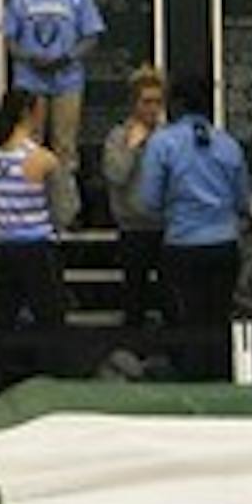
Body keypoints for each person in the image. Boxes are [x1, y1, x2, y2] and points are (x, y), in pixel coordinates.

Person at [138, 71, 252, 381]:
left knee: (186, 323)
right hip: (224, 245)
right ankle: (220, 380)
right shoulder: (229, 145)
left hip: (182, 246)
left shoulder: (162, 144)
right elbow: (243, 201)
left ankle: (192, 382)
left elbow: (147, 200)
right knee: (217, 320)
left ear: (175, 104)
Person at [0, 87, 68, 392]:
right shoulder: (41, 159)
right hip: (36, 247)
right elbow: (64, 206)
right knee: (50, 322)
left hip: (2, 247)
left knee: (0, 322)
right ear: (30, 112)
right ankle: (55, 384)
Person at [0, 0, 103, 172]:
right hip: (30, 80)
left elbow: (91, 37)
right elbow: (8, 39)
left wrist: (67, 57)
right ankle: (29, 199)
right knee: (28, 144)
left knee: (64, 145)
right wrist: (28, 57)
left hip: (67, 79)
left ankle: (64, 205)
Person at [100, 62, 168, 335]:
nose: (152, 108)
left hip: (167, 228)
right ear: (134, 104)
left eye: (158, 102)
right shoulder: (117, 138)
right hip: (133, 229)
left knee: (171, 300)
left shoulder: (170, 139)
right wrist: (132, 146)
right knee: (134, 300)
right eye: (146, 102)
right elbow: (115, 175)